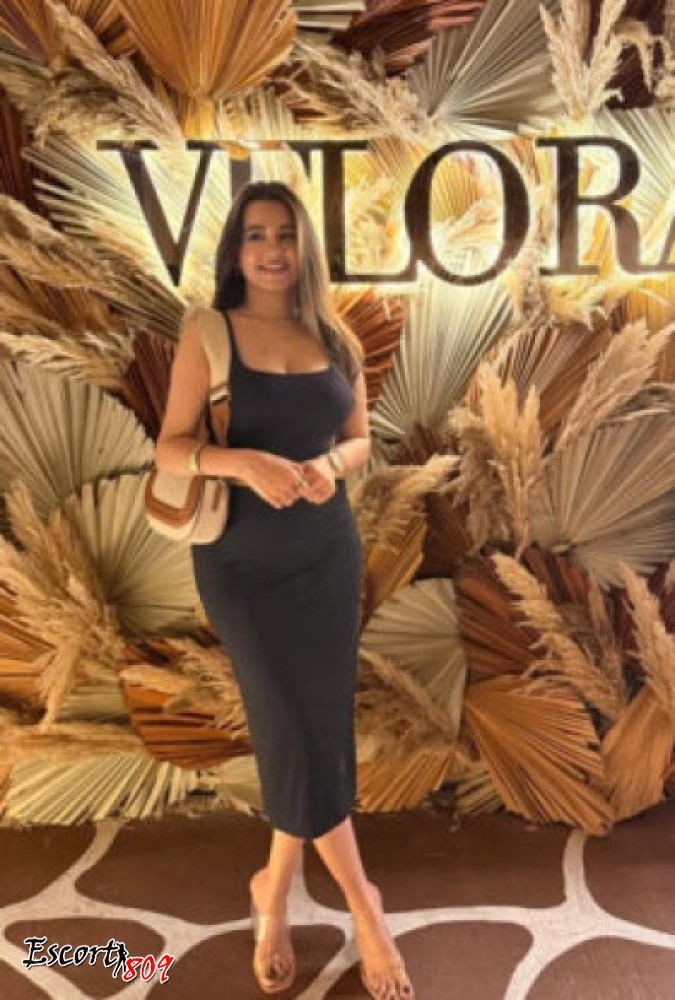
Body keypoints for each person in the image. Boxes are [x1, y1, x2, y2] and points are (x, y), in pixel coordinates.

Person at [156, 180, 414, 1000]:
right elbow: (170, 448)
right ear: (236, 251)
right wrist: (241, 461)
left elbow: (360, 440)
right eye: (256, 235)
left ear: (306, 248)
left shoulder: (335, 336)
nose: (272, 249)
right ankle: (364, 907)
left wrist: (326, 465)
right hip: (241, 564)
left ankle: (273, 888)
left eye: (285, 234)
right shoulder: (209, 331)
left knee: (313, 725)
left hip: (326, 556)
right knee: (289, 722)